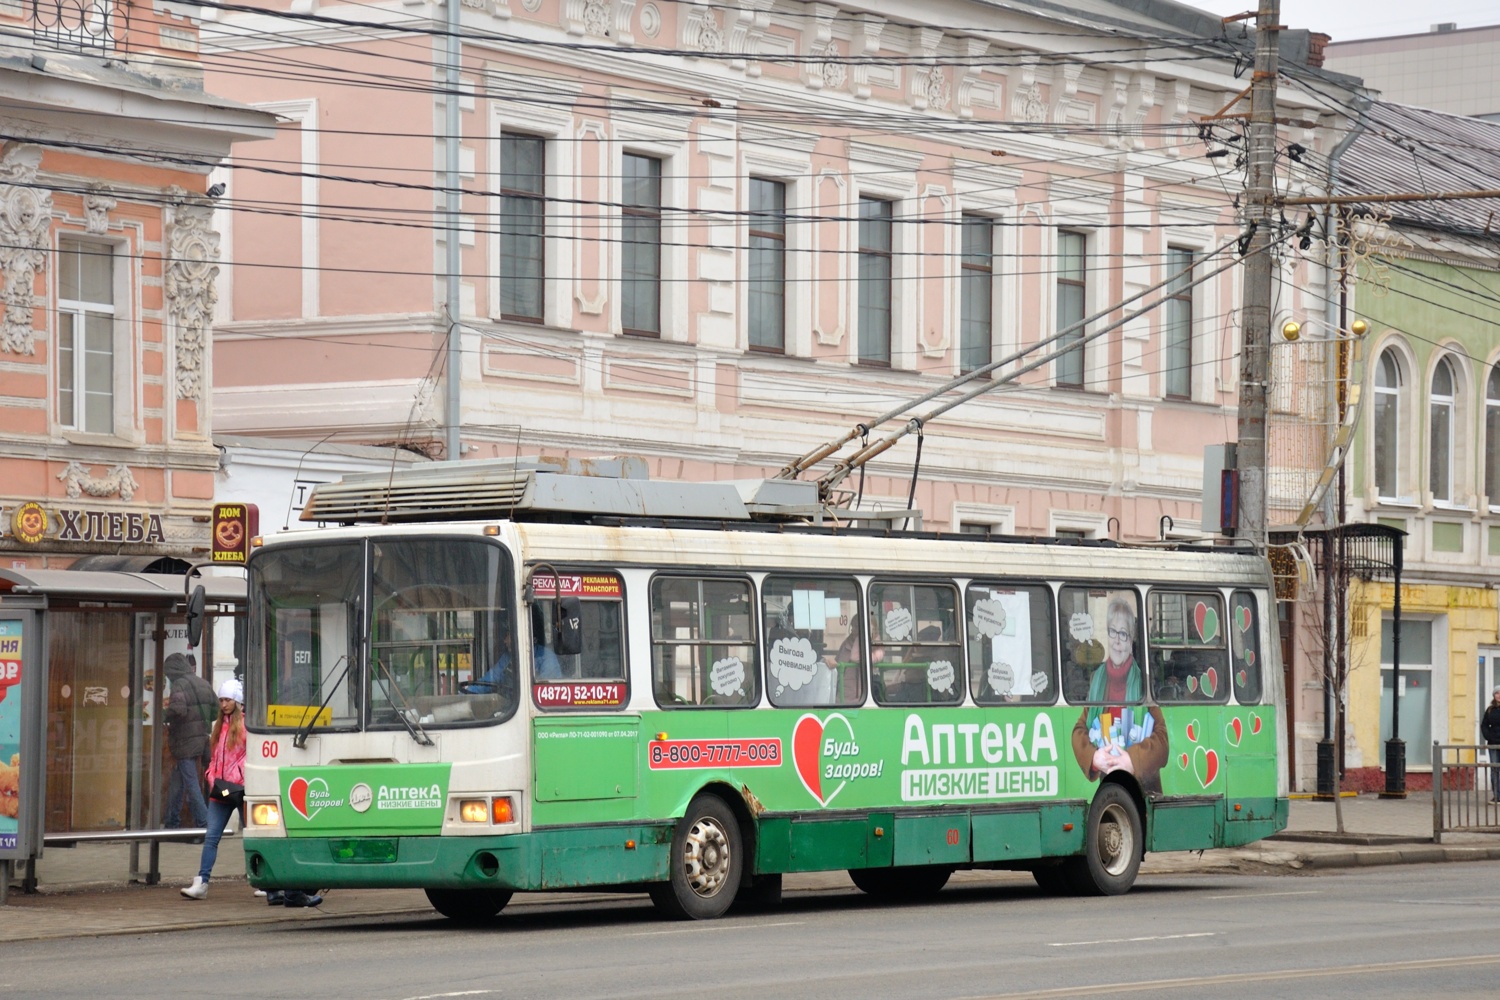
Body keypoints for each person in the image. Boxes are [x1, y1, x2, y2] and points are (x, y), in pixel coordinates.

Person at [1070, 599, 1169, 794]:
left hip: (1143, 788)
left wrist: (1132, 760)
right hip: (1109, 787)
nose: (1117, 640)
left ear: (1131, 639)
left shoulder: (1144, 682)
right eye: (1112, 631)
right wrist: (1094, 757)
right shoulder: (1097, 681)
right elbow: (1079, 731)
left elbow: (1162, 742)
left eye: (1123, 634)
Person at [161, 653, 215, 829]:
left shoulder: (179, 685)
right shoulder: (203, 683)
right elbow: (215, 711)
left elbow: (178, 710)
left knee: (191, 783)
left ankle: (205, 822)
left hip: (184, 742)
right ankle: (171, 821)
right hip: (200, 740)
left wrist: (163, 715)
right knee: (179, 780)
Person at [462, 624, 561, 693]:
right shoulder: (508, 657)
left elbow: (543, 691)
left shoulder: (546, 657)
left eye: (507, 636)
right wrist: (468, 692)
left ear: (517, 634)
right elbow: (491, 678)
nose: (505, 641)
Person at [1481, 686, 1500, 802]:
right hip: (1493, 744)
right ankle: (1497, 796)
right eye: (1497, 693)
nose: (1499, 695)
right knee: (1495, 769)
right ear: (1494, 695)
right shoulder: (1490, 710)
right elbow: (1484, 725)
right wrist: (1489, 736)